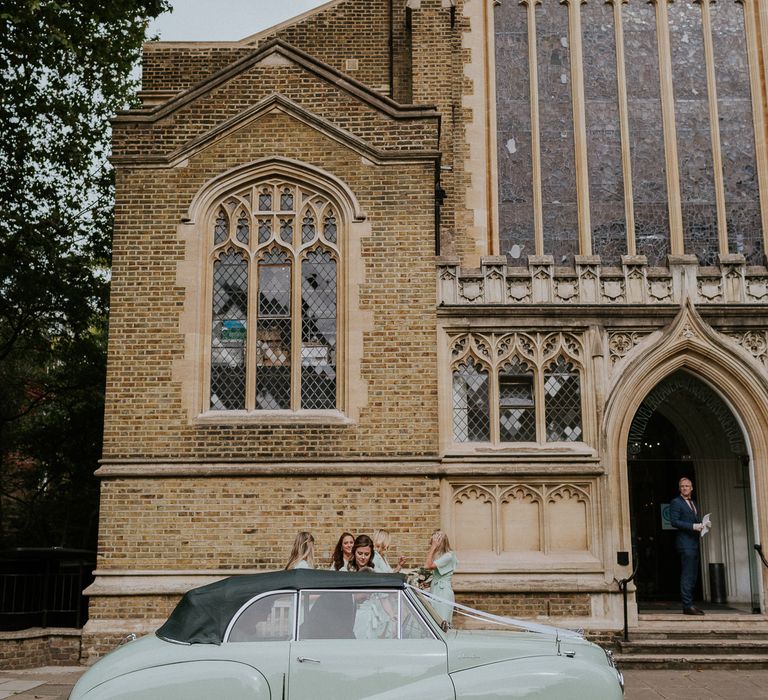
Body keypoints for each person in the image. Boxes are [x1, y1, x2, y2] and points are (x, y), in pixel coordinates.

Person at [669, 477, 709, 615]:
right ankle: (687, 605)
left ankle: (690, 604)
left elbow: (694, 520)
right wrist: (693, 526)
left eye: (687, 486)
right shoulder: (676, 502)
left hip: (694, 543)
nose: (685, 488)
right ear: (679, 488)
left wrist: (703, 525)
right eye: (682, 486)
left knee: (692, 575)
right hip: (685, 544)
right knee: (687, 575)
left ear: (692, 488)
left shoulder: (694, 503)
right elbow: (674, 522)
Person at [424, 530, 457, 624]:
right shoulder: (440, 556)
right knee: (434, 621)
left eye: (433, 542)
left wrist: (433, 548)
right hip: (436, 590)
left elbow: (427, 566)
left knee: (441, 621)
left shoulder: (449, 556)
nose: (431, 544)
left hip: (443, 592)